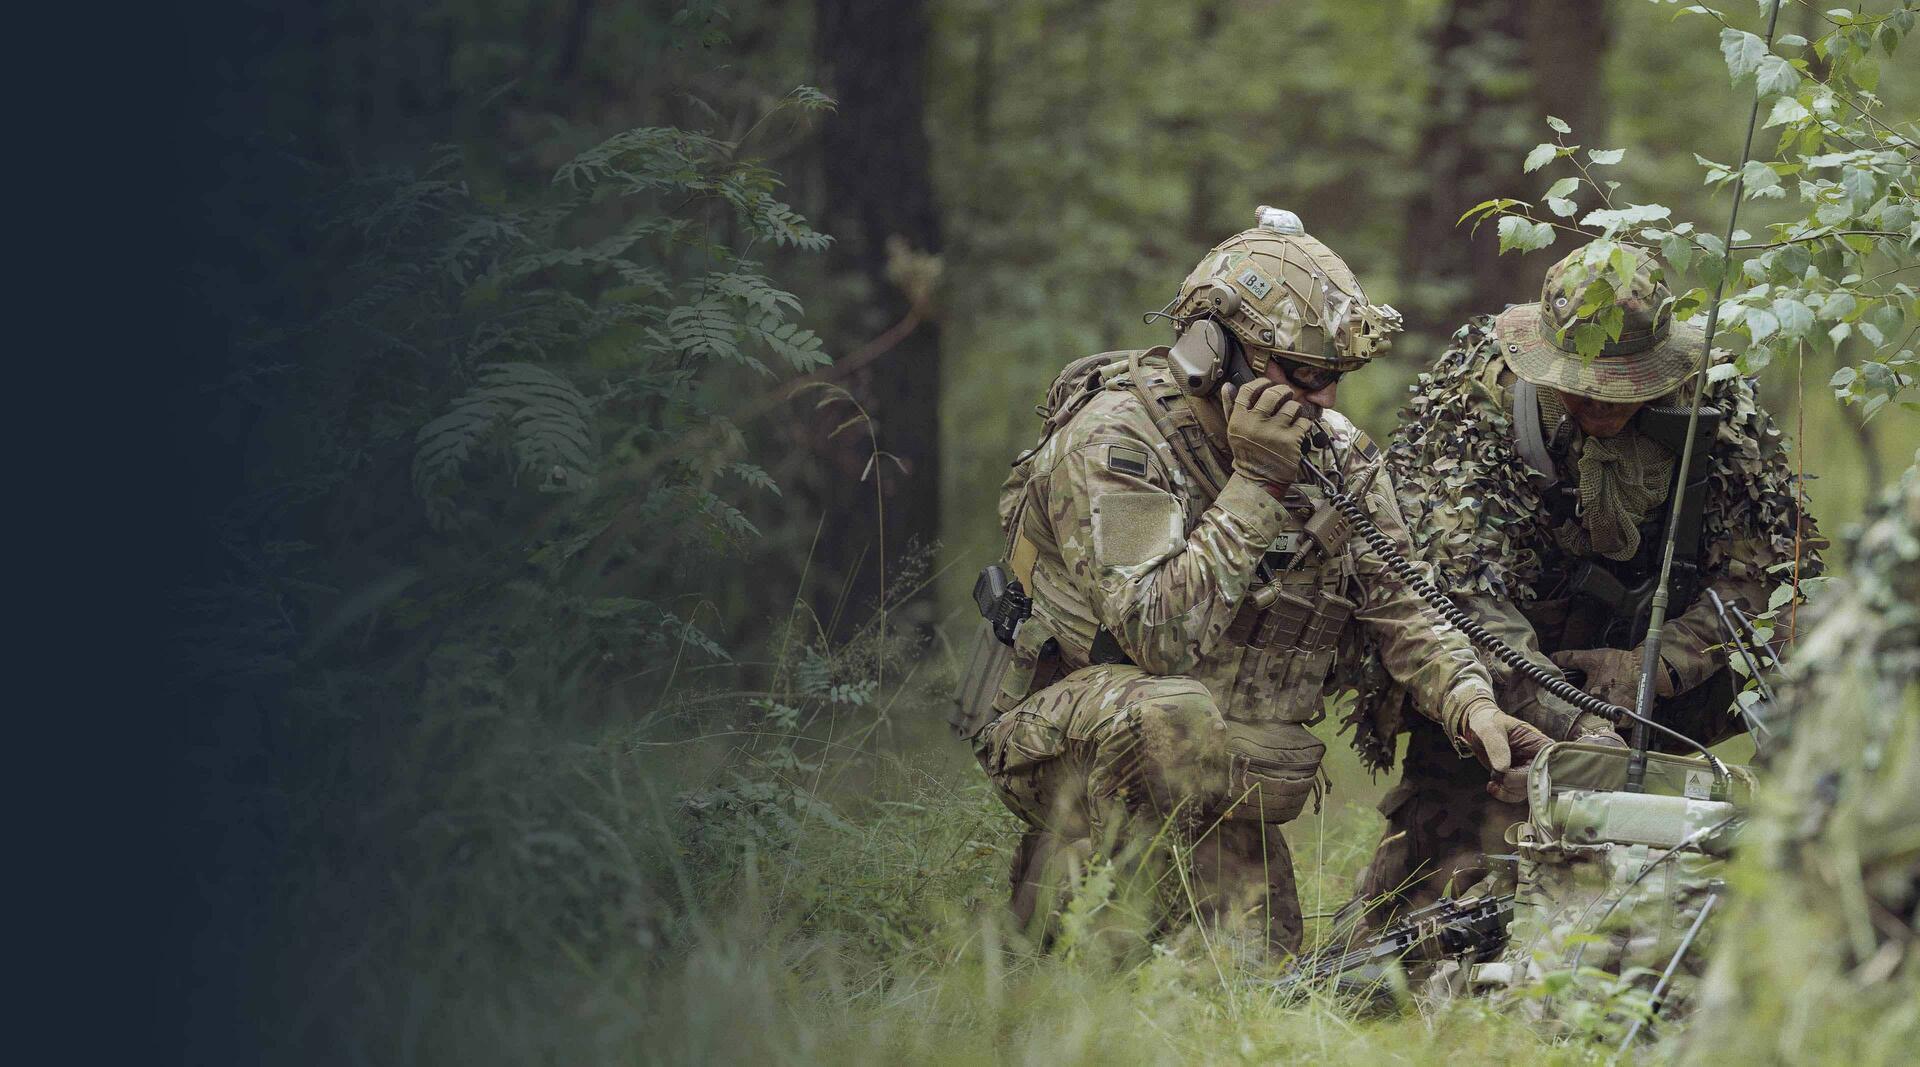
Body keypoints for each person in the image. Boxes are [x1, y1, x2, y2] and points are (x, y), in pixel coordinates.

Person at [957, 208, 1547, 957]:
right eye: (1301, 374)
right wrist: (1256, 485)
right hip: (1073, 740)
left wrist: (1472, 705)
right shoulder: (1116, 443)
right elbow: (1155, 635)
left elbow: (1407, 604)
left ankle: (1114, 922)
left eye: (1333, 378)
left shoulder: (1332, 455)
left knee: (1252, 985)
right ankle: (1069, 902)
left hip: (1224, 769)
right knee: (1166, 712)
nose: (1324, 400)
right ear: (1213, 351)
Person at [1344, 242, 1819, 924]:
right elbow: (1456, 597)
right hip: (1508, 693)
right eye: (1583, 382)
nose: (1600, 403)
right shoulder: (1477, 400)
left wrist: (1655, 665)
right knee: (1431, 905)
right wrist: (1571, 721)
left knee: (1807, 654)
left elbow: (1773, 574)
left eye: (1624, 384)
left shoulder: (1714, 402)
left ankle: (1792, 861)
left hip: (1657, 691)